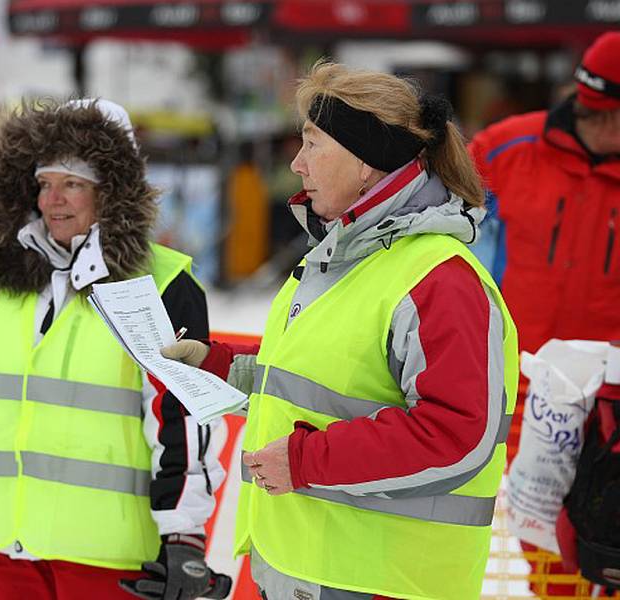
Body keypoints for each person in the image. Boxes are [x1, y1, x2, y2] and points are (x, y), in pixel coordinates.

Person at [163, 61, 519, 600]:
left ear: (366, 161)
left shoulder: (441, 279)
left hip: (381, 580)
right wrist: (220, 368)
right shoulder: (339, 259)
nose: (297, 164)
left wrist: (305, 461)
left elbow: (457, 436)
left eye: (313, 144)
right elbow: (320, 384)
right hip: (300, 566)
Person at [0, 98, 230, 600]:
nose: (53, 200)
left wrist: (183, 534)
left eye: (73, 184)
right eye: (44, 183)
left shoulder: (161, 283)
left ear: (110, 193)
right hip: (0, 549)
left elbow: (181, 419)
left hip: (104, 557)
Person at [469, 31, 620, 598]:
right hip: (524, 396)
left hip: (612, 403)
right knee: (548, 552)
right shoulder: (505, 149)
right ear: (603, 110)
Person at [470, 31, 620, 357]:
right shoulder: (507, 147)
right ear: (611, 114)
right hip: (511, 370)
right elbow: (431, 206)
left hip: (605, 386)